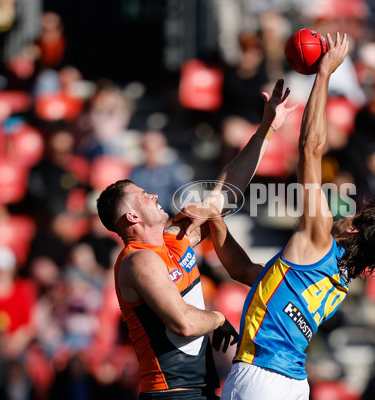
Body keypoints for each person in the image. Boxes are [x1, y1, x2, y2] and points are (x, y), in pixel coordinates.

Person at [177, 33, 375, 400]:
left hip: (262, 375)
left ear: (356, 228)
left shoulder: (319, 239)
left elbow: (310, 149)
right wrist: (216, 219)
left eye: (355, 215)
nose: (347, 213)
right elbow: (244, 272)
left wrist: (323, 74)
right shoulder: (337, 281)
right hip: (293, 383)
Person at [95, 78, 297, 400]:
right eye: (145, 196)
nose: (155, 195)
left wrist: (267, 129)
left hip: (199, 390)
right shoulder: (137, 261)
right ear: (131, 217)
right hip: (170, 393)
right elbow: (184, 323)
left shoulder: (176, 237)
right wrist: (219, 319)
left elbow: (225, 193)